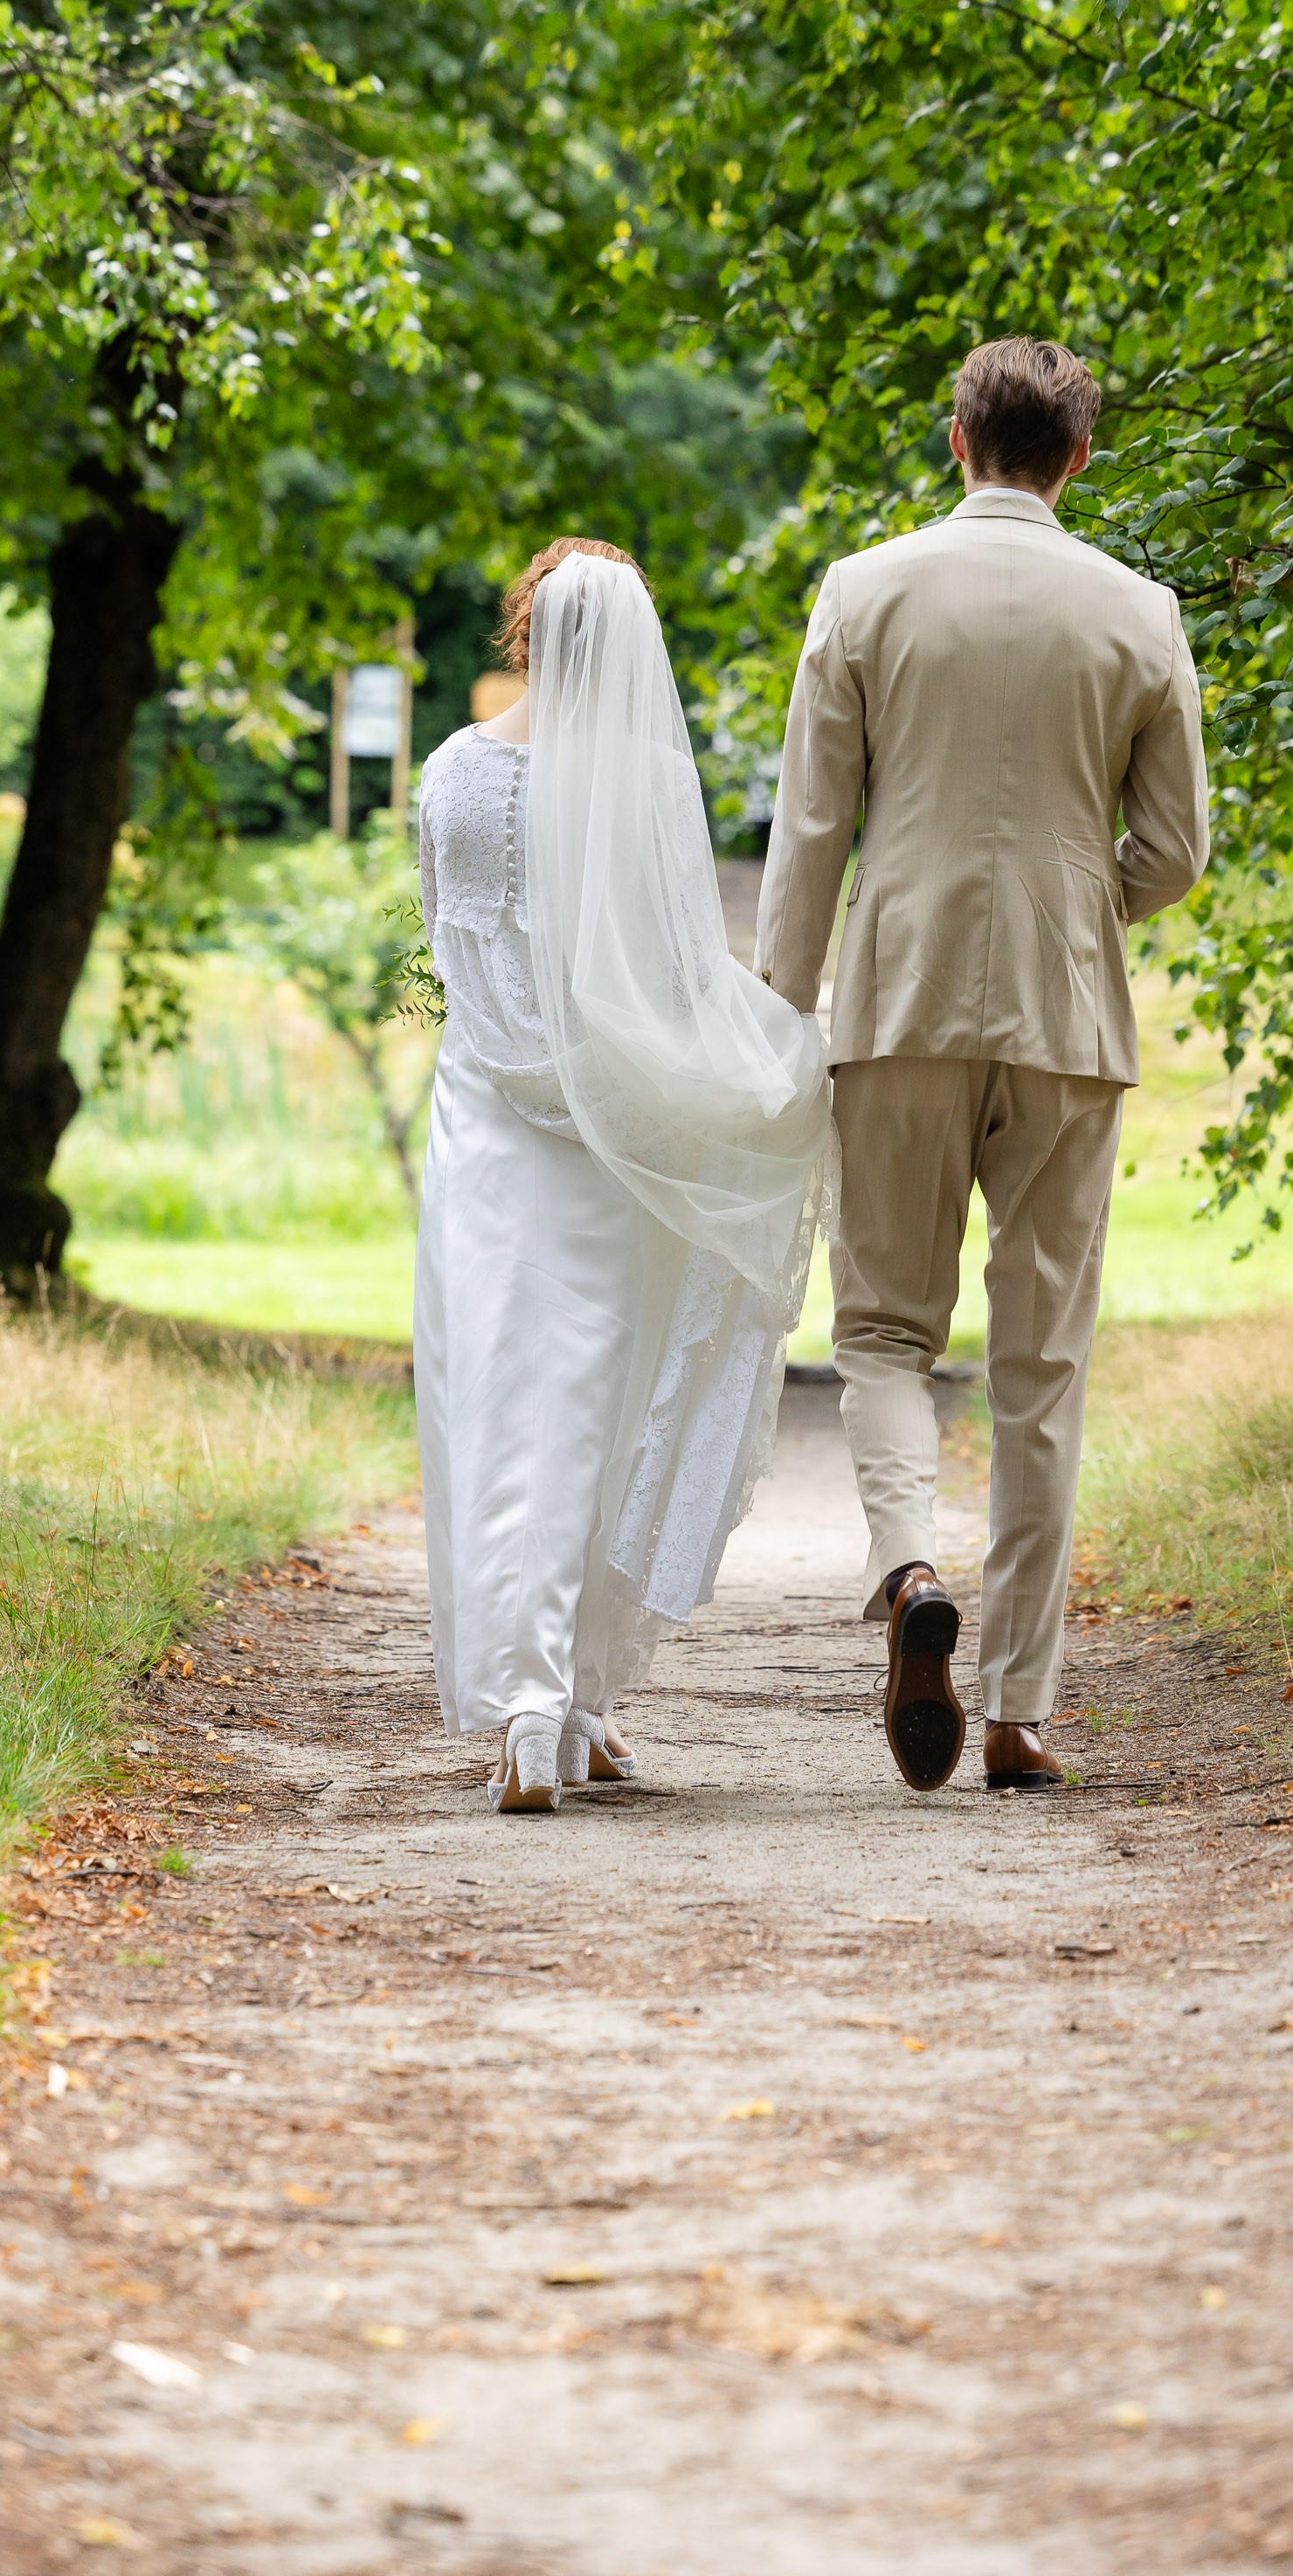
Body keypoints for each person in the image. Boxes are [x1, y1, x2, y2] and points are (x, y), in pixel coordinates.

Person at [755, 335, 1210, 1795]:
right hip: (1068, 1020)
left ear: (956, 438)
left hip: (894, 1002)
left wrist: (784, 1010)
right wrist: (1082, 913)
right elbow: (1178, 853)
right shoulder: (1140, 613)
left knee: (884, 1332)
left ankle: (907, 1571)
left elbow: (812, 832)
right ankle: (1014, 1708)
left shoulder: (863, 591)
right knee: (1043, 1367)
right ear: (1079, 456)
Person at [415, 539, 834, 1813]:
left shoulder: (450, 775)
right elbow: (673, 969)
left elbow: (445, 942)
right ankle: (569, 1696)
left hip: (490, 1136)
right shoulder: (649, 782)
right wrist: (761, 1063)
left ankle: (545, 1704)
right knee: (609, 1401)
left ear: (524, 635)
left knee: (499, 1400)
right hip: (618, 1146)